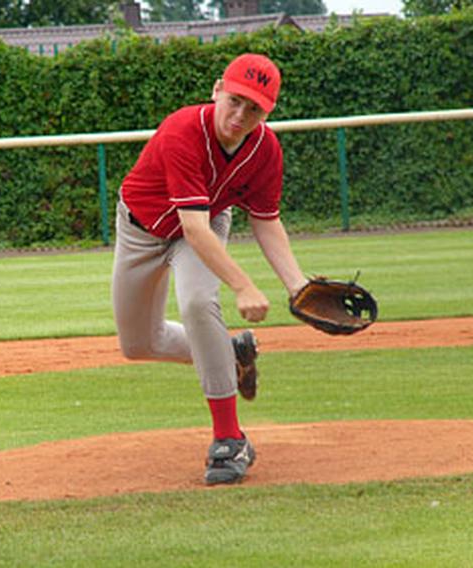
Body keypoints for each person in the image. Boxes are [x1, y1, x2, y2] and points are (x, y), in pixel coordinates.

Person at [111, 53, 309, 485]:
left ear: (267, 113)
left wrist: (298, 285)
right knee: (139, 344)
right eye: (235, 100)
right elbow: (192, 226)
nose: (240, 115)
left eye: (254, 108)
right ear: (217, 89)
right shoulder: (183, 129)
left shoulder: (265, 150)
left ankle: (229, 440)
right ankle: (232, 351)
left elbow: (266, 219)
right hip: (142, 230)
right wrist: (243, 285)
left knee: (199, 302)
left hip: (201, 225)